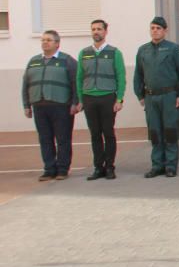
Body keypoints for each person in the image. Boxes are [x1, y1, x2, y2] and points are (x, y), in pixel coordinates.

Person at [134, 17, 179, 178]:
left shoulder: (173, 49)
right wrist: (140, 94)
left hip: (169, 95)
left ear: (165, 30)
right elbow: (138, 74)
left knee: (170, 131)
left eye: (158, 28)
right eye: (152, 28)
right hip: (151, 97)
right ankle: (157, 165)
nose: (155, 30)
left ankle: (171, 165)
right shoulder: (143, 50)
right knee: (155, 132)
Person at [23, 30, 79, 181]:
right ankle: (49, 169)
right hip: (39, 107)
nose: (45, 42)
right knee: (45, 139)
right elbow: (26, 84)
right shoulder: (33, 61)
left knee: (63, 139)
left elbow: (76, 82)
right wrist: (26, 105)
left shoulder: (67, 60)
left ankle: (62, 169)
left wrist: (75, 102)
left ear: (57, 43)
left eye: (48, 40)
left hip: (61, 106)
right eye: (43, 40)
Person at [76, 19, 126, 180]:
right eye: (93, 29)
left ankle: (110, 167)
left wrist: (119, 99)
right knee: (95, 134)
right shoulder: (84, 53)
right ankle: (98, 167)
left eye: (99, 29)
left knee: (108, 132)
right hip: (89, 97)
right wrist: (81, 98)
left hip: (107, 97)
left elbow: (121, 77)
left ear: (105, 32)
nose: (96, 32)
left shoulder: (114, 53)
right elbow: (79, 78)